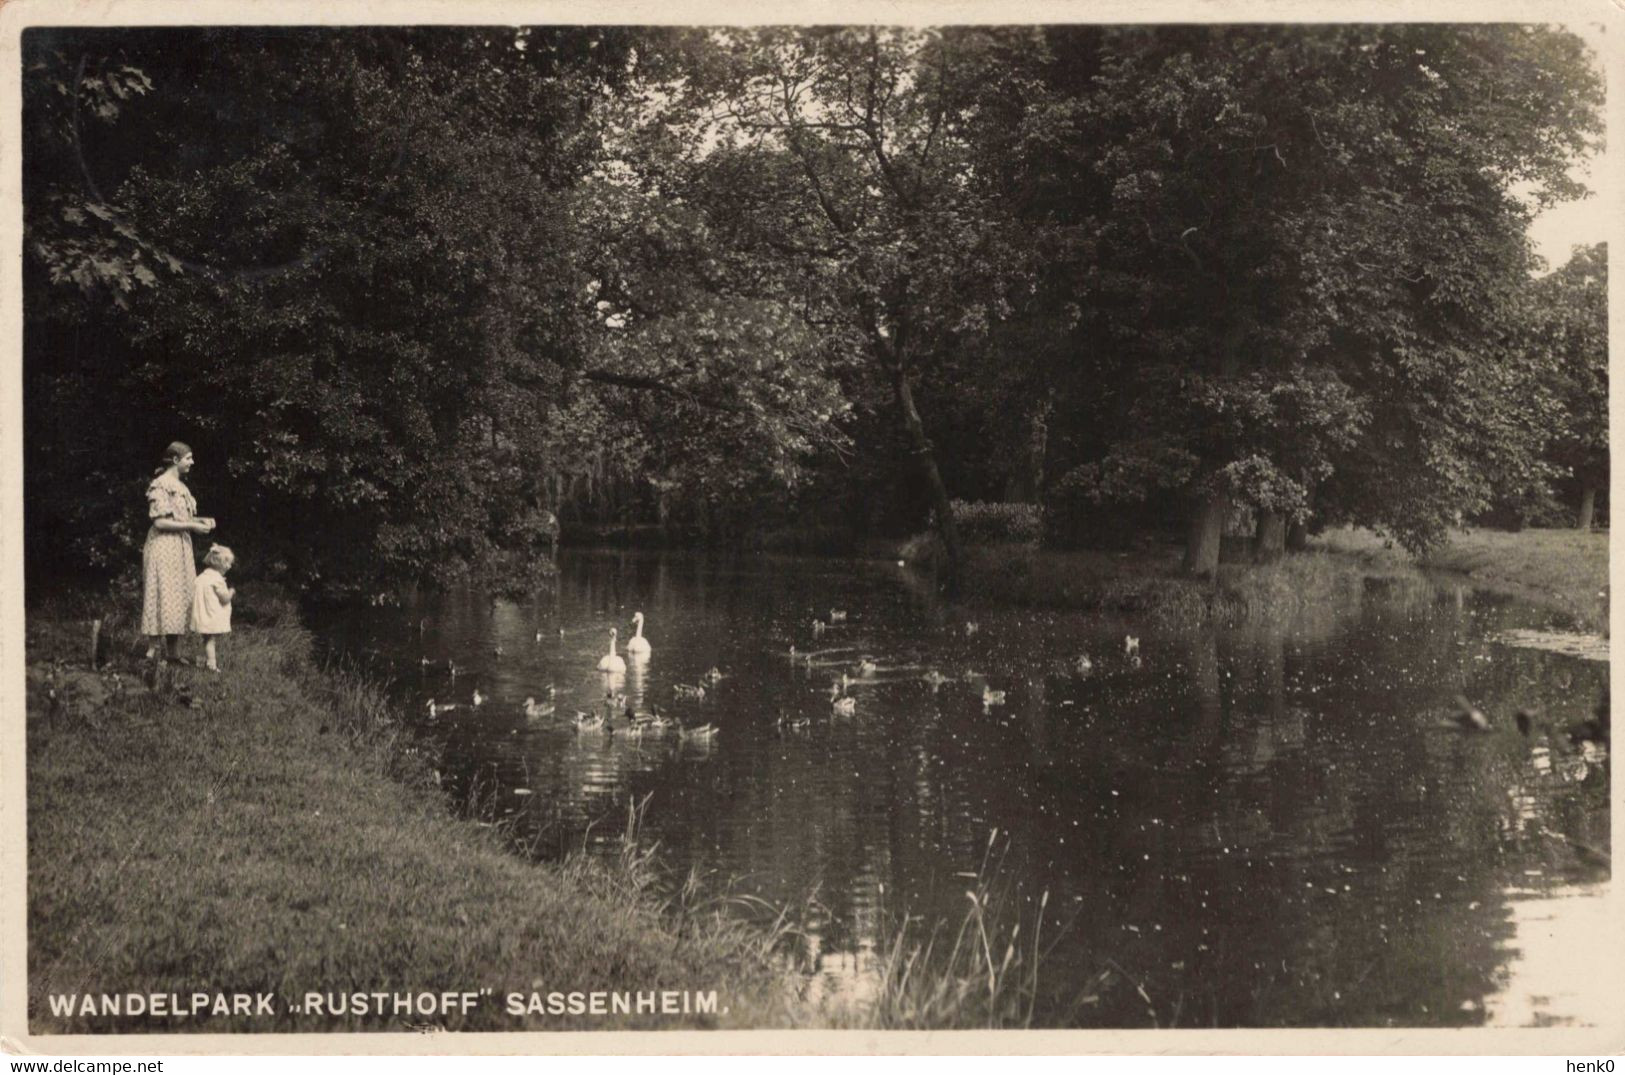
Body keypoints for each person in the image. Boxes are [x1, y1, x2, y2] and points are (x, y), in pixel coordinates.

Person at [141, 441, 214, 678]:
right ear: (175, 460)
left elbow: (181, 518)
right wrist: (192, 525)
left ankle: (173, 652)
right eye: (188, 458)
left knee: (179, 595)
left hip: (180, 547)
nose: (192, 462)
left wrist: (202, 521)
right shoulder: (160, 485)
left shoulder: (181, 487)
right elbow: (160, 522)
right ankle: (153, 652)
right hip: (163, 546)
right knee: (161, 592)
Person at [192, 544, 235, 671]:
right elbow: (224, 598)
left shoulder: (201, 577)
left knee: (206, 640)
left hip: (201, 615)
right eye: (228, 564)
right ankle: (212, 665)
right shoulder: (217, 580)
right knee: (211, 640)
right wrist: (231, 591)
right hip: (211, 616)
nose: (230, 566)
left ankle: (204, 661)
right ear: (220, 564)